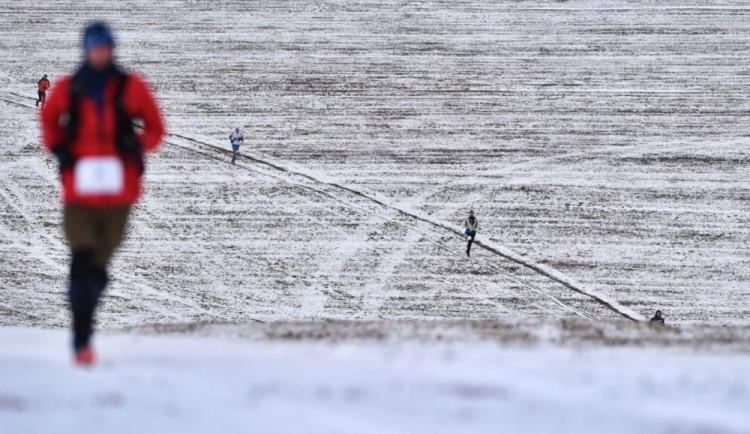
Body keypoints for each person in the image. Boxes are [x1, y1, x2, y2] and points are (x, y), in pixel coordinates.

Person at [40, 21, 165, 365]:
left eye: (105, 47)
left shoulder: (131, 87)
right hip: (78, 194)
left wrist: (134, 143)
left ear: (112, 49)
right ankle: (82, 338)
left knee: (98, 268)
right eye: (94, 47)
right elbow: (49, 119)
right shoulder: (70, 87)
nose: (100, 53)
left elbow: (157, 129)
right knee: (80, 260)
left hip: (119, 193)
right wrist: (59, 148)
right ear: (86, 49)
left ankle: (85, 322)